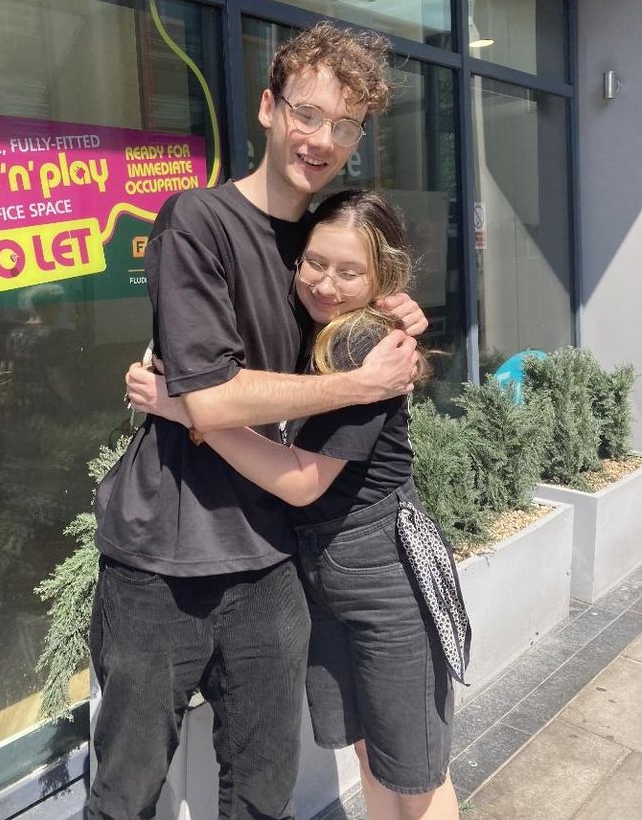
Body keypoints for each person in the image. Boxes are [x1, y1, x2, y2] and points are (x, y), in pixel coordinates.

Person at [89, 22, 427, 820]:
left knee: (263, 795)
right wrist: (352, 387)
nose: (322, 139)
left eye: (344, 126)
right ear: (270, 109)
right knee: (127, 794)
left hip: (273, 559)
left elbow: (359, 323)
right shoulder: (197, 221)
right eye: (307, 114)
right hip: (159, 564)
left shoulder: (321, 247)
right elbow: (212, 399)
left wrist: (394, 314)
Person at [150, 190, 463, 820]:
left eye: (350, 273)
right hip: (324, 568)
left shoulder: (360, 345)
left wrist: (187, 409)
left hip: (384, 570)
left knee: (416, 770)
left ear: (381, 278)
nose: (326, 283)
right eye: (315, 263)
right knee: (374, 753)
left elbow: (300, 482)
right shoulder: (314, 332)